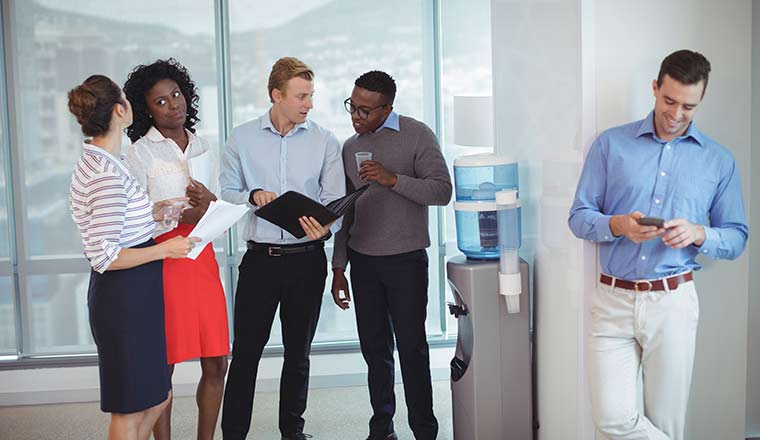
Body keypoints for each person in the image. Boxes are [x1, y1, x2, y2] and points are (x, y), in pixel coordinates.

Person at [568, 50, 748, 440]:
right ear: (655, 87)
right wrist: (617, 225)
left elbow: (737, 237)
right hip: (612, 300)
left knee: (667, 424)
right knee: (612, 420)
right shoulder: (610, 145)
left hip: (674, 303)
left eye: (689, 106)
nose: (677, 114)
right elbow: (578, 217)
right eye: (669, 100)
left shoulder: (719, 161)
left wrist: (700, 234)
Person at [219, 56, 345, 440]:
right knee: (245, 355)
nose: (309, 104)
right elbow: (226, 193)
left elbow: (335, 202)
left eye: (311, 96)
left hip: (307, 262)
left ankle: (292, 432)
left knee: (298, 355)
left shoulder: (326, 140)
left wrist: (323, 227)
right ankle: (234, 434)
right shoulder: (241, 138)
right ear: (277, 95)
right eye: (301, 96)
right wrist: (252, 195)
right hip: (260, 261)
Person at [67, 74, 199, 440]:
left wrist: (156, 213)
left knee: (156, 397)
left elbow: (114, 223)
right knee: (131, 407)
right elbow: (104, 255)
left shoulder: (106, 163)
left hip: (134, 291)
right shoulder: (106, 173)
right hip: (122, 295)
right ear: (120, 111)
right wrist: (165, 249)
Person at [331, 70, 452, 440]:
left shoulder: (417, 135)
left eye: (366, 110)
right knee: (374, 350)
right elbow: (346, 211)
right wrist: (338, 267)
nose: (356, 116)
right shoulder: (350, 146)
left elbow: (442, 191)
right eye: (353, 106)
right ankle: (381, 428)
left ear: (388, 108)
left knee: (412, 350)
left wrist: (392, 179)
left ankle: (424, 430)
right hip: (363, 261)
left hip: (406, 261)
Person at [123, 58, 230, 440]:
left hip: (203, 257)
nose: (173, 104)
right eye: (161, 102)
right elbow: (133, 219)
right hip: (165, 261)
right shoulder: (139, 153)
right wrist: (174, 214)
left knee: (217, 360)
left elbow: (215, 204)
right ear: (145, 109)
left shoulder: (204, 145)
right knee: (161, 364)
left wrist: (209, 205)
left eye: (176, 95)